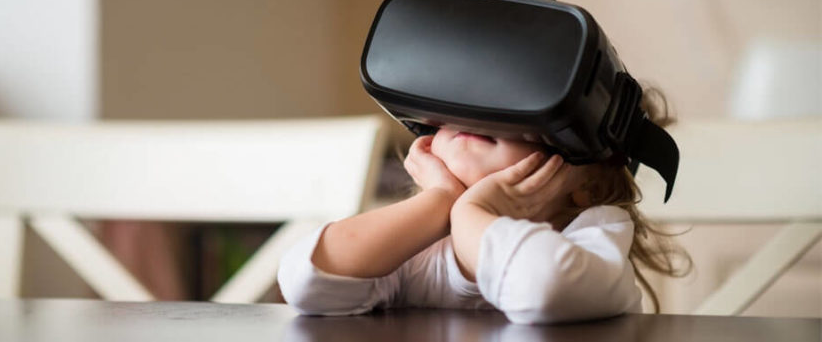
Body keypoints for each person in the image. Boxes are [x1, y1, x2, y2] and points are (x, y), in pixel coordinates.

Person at [276, 90, 691, 324]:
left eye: (518, 112)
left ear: (591, 184)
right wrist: (440, 203)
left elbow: (543, 287)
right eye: (453, 111)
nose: (476, 116)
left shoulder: (597, 236)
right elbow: (305, 282)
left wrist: (471, 214)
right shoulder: (423, 243)